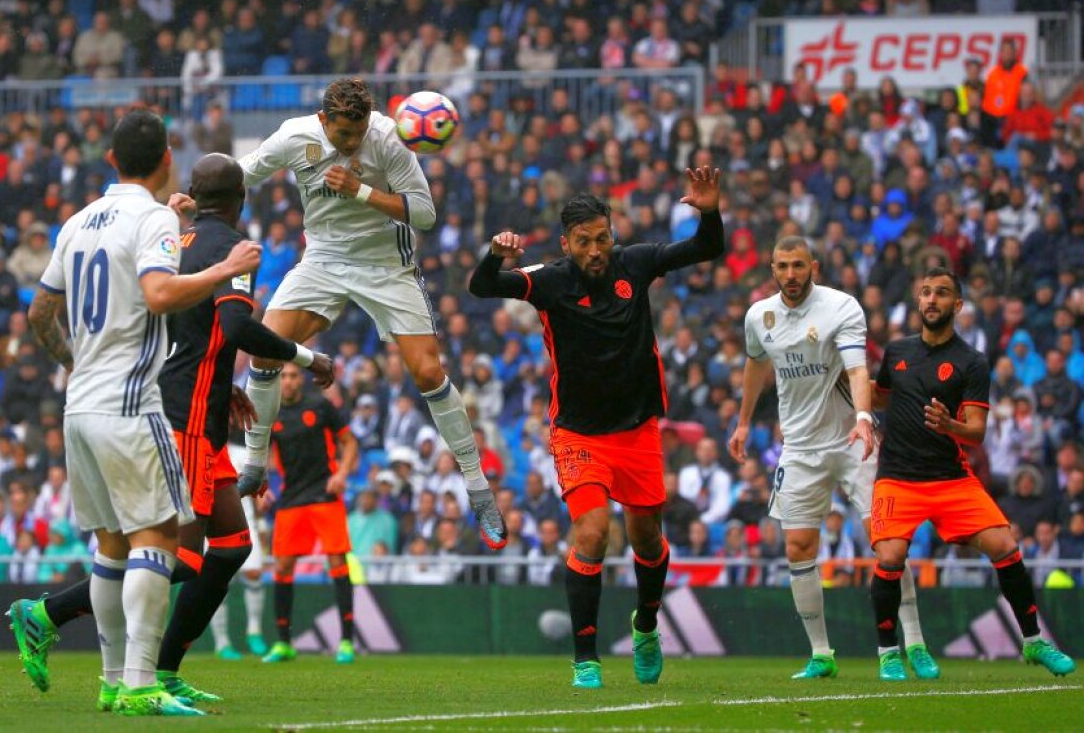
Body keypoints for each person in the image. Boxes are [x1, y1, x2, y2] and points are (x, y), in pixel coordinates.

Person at [8, 154, 334, 706]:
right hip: (182, 420)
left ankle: (165, 668)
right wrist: (306, 357)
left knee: (230, 546)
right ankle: (48, 615)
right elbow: (233, 324)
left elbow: (187, 323)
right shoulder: (230, 247)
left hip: (199, 413)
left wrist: (218, 377)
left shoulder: (174, 239)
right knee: (174, 557)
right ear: (239, 200)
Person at [469, 167, 724, 689]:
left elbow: (705, 248)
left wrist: (710, 210)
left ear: (613, 233)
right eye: (584, 242)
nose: (595, 250)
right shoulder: (551, 281)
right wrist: (496, 254)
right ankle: (585, 659)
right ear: (567, 243)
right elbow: (482, 286)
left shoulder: (637, 262)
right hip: (579, 433)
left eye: (602, 238)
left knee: (647, 542)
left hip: (637, 431)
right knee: (591, 532)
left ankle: (646, 625)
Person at [235, 77, 507, 551]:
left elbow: (424, 215)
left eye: (357, 133)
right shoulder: (295, 137)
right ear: (324, 121)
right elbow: (245, 172)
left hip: (387, 267)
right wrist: (197, 198)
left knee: (427, 372)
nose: (351, 142)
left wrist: (361, 190)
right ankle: (255, 464)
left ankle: (478, 486)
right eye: (343, 135)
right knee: (263, 348)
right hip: (322, 260)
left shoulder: (389, 139)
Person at [729, 236, 936, 680]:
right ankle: (821, 653)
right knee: (798, 548)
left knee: (887, 542)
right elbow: (754, 364)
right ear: (772, 268)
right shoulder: (758, 317)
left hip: (852, 442)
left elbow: (858, 368)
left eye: (798, 265)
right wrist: (744, 421)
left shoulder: (842, 307)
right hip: (800, 450)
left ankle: (914, 643)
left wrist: (863, 416)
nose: (790, 274)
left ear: (814, 267)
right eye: (782, 266)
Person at [869, 267, 1075, 681]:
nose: (931, 300)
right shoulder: (896, 352)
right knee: (890, 556)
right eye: (925, 292)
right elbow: (878, 396)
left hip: (950, 478)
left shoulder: (972, 362)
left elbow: (977, 433)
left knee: (1004, 544)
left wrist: (950, 426)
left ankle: (1034, 641)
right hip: (898, 477)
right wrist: (846, 380)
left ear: (957, 305)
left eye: (941, 293)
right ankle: (890, 653)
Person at [260, 362, 359, 665]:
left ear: (301, 379)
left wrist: (341, 473)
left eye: (292, 375)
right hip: (291, 497)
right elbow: (261, 451)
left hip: (324, 494)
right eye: (283, 376)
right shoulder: (271, 412)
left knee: (337, 562)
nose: (288, 381)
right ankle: (284, 643)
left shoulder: (320, 406)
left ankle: (346, 641)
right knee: (282, 566)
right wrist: (262, 483)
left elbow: (349, 442)